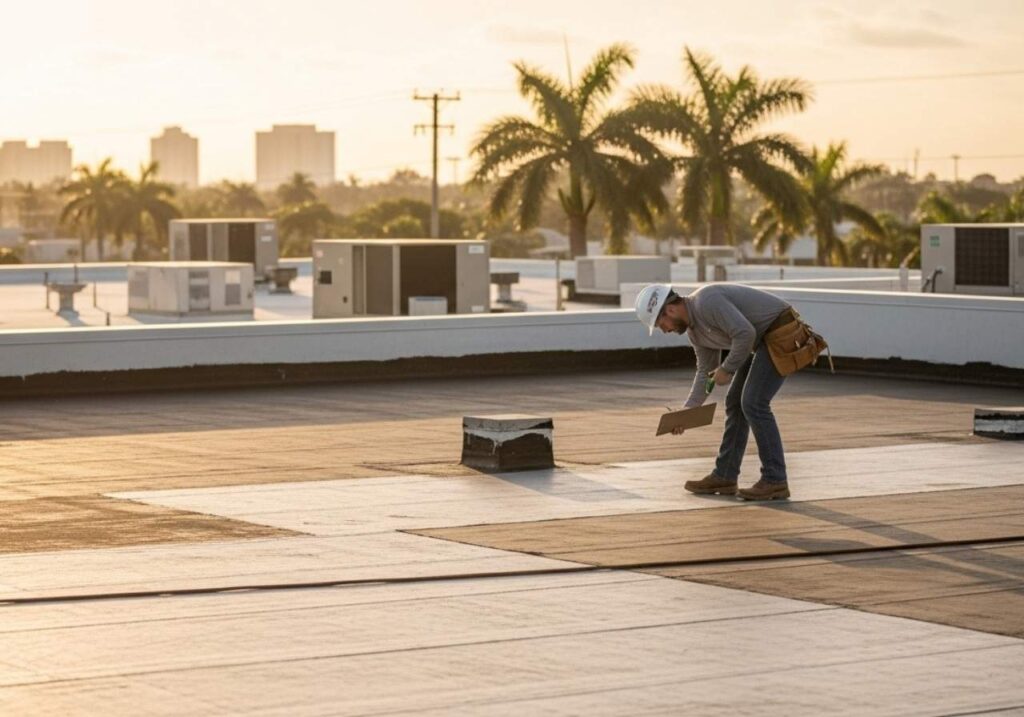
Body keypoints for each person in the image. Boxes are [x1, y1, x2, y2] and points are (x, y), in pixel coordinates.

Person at [634, 283, 798, 500]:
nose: (664, 330)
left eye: (659, 323)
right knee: (735, 402)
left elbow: (745, 334)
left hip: (781, 332)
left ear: (670, 309)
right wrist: (687, 413)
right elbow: (705, 373)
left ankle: (775, 480)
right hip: (761, 341)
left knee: (753, 403)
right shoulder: (695, 332)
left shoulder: (707, 301)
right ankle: (725, 476)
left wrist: (727, 368)